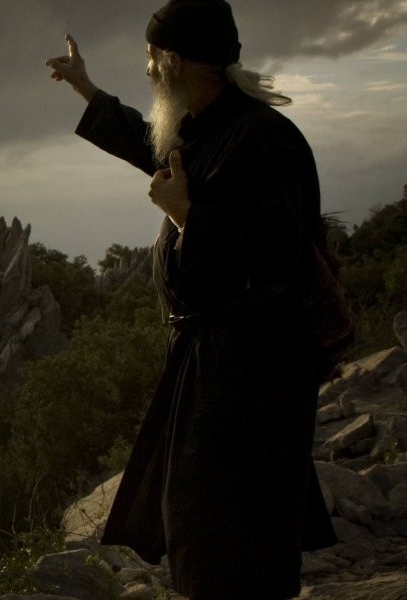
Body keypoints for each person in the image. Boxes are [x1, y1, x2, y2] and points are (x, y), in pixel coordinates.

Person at [44, 1, 338, 598]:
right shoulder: (211, 125)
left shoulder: (264, 139)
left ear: (176, 62)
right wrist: (86, 89)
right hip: (216, 363)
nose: (148, 69)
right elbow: (150, 144)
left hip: (252, 370)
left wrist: (186, 217)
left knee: (232, 531)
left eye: (152, 57)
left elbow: (275, 257)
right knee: (204, 523)